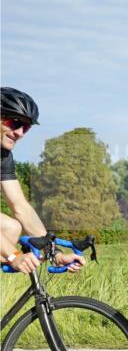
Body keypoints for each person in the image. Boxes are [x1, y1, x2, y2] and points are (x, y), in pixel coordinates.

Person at [1, 87, 85, 274]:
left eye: (26, 127)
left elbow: (21, 208)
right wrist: (14, 256)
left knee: (11, 228)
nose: (20, 133)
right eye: (15, 123)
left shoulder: (3, 156)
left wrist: (55, 254)